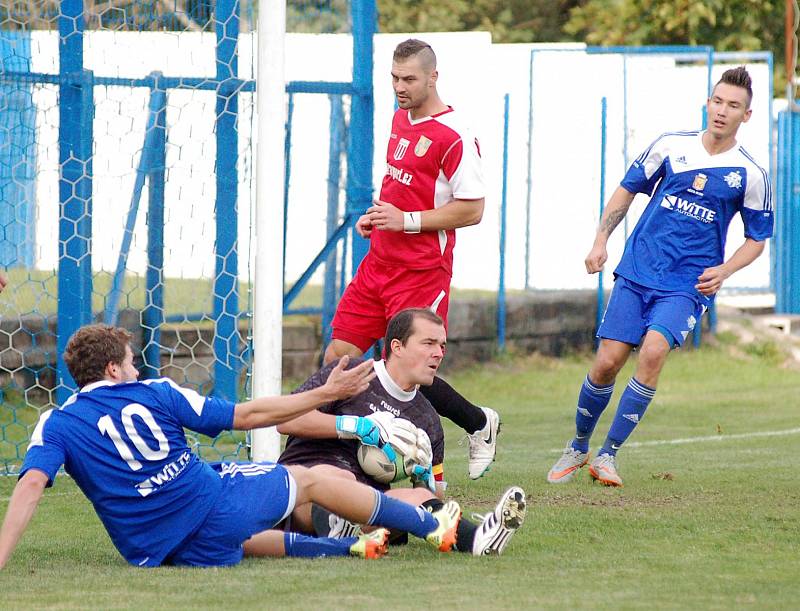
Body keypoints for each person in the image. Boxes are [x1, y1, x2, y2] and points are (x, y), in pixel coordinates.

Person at [0, 324, 464, 569]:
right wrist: (325, 394)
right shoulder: (157, 391)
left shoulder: (53, 423)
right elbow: (247, 416)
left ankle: (349, 551)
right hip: (211, 507)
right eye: (130, 362)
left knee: (229, 524)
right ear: (113, 370)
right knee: (309, 479)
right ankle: (430, 525)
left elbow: (32, 486)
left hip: (149, 547)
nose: (136, 369)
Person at [547, 66, 773, 487]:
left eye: (734, 106)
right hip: (638, 269)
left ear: (747, 115)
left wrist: (725, 270)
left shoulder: (751, 174)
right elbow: (627, 189)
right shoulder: (671, 146)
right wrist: (600, 240)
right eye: (718, 101)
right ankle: (578, 446)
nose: (722, 111)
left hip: (688, 284)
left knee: (652, 352)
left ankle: (608, 456)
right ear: (708, 103)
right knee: (607, 362)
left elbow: (757, 238)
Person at [323, 38, 499, 479]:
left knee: (408, 372)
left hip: (421, 272)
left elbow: (472, 209)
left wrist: (407, 222)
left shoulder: (454, 135)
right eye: (395, 78)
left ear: (433, 77)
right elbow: (400, 187)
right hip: (378, 264)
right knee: (337, 360)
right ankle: (331, 454)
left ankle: (476, 427)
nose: (400, 87)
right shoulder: (401, 119)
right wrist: (378, 219)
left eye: (409, 79)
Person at [280, 308, 527, 556]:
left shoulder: (428, 420)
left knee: (416, 496)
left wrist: (424, 474)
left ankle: (479, 540)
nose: (438, 353)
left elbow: (435, 494)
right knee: (334, 476)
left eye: (442, 346)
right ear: (397, 347)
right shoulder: (355, 373)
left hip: (367, 508)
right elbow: (285, 419)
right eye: (428, 343)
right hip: (303, 492)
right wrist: (354, 426)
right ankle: (338, 524)